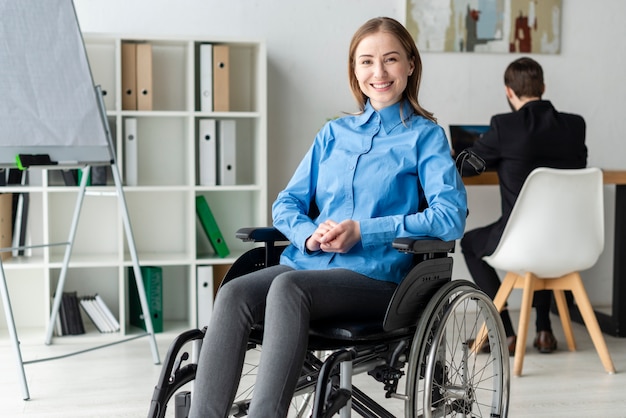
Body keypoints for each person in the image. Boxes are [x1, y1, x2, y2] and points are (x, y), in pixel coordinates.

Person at [188, 16, 467, 417]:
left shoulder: (425, 137)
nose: (379, 72)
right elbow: (286, 203)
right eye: (366, 61)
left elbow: (450, 216)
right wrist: (307, 234)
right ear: (355, 70)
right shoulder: (334, 134)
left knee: (288, 288)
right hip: (311, 264)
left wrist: (364, 231)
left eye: (390, 60)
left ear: (410, 65)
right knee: (234, 292)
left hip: (377, 278)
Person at [460, 57, 587, 355]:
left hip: (524, 241)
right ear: (543, 87)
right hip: (568, 240)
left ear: (509, 92)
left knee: (470, 242)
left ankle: (504, 333)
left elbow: (468, 165)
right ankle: (544, 330)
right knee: (543, 236)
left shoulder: (505, 126)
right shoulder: (575, 125)